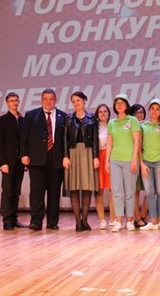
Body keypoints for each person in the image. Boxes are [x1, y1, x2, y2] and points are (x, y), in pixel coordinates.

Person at [20, 88, 66, 231]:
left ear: (55, 100)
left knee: (54, 193)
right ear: (41, 100)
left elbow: (66, 140)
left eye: (51, 99)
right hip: (36, 160)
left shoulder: (64, 116)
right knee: (37, 192)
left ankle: (52, 222)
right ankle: (36, 221)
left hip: (56, 160)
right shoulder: (31, 115)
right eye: (45, 99)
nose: (48, 102)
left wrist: (66, 157)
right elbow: (23, 137)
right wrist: (24, 154)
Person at [63, 91, 99, 231]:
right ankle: (78, 222)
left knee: (86, 187)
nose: (76, 103)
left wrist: (95, 156)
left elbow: (95, 138)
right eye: (74, 101)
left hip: (87, 152)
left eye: (78, 100)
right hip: (73, 153)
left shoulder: (92, 118)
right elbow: (65, 138)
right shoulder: (68, 118)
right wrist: (65, 156)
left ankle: (85, 220)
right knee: (74, 187)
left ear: (84, 101)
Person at [106, 94, 141, 231]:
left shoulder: (132, 120)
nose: (119, 105)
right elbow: (109, 143)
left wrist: (134, 159)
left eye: (122, 103)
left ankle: (130, 220)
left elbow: (137, 141)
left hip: (129, 160)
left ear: (126, 105)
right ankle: (119, 220)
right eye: (117, 103)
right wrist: (107, 161)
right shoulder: (112, 123)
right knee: (117, 191)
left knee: (130, 191)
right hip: (115, 160)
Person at [139, 98, 160, 230]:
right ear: (149, 110)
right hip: (146, 162)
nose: (154, 111)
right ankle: (153, 221)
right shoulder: (143, 126)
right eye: (152, 109)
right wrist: (142, 164)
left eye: (157, 109)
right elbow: (139, 147)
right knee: (149, 192)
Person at [0, 92, 26, 230]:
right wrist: (3, 163)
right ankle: (7, 220)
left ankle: (14, 218)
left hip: (20, 162)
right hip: (8, 162)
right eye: (11, 100)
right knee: (7, 191)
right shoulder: (2, 120)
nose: (14, 102)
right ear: (7, 103)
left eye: (16, 100)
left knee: (16, 191)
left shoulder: (22, 120)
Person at [94, 103, 115, 229]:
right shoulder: (94, 128)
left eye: (105, 111)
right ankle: (101, 219)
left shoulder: (113, 125)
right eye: (100, 111)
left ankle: (112, 219)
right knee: (99, 190)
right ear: (97, 114)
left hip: (112, 158)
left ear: (109, 113)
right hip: (99, 158)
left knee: (113, 190)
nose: (103, 113)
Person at [129, 103, 149, 228]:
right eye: (136, 113)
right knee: (135, 191)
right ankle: (136, 217)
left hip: (148, 159)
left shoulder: (147, 125)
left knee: (150, 190)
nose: (139, 115)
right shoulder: (131, 126)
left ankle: (143, 214)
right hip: (135, 159)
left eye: (141, 112)